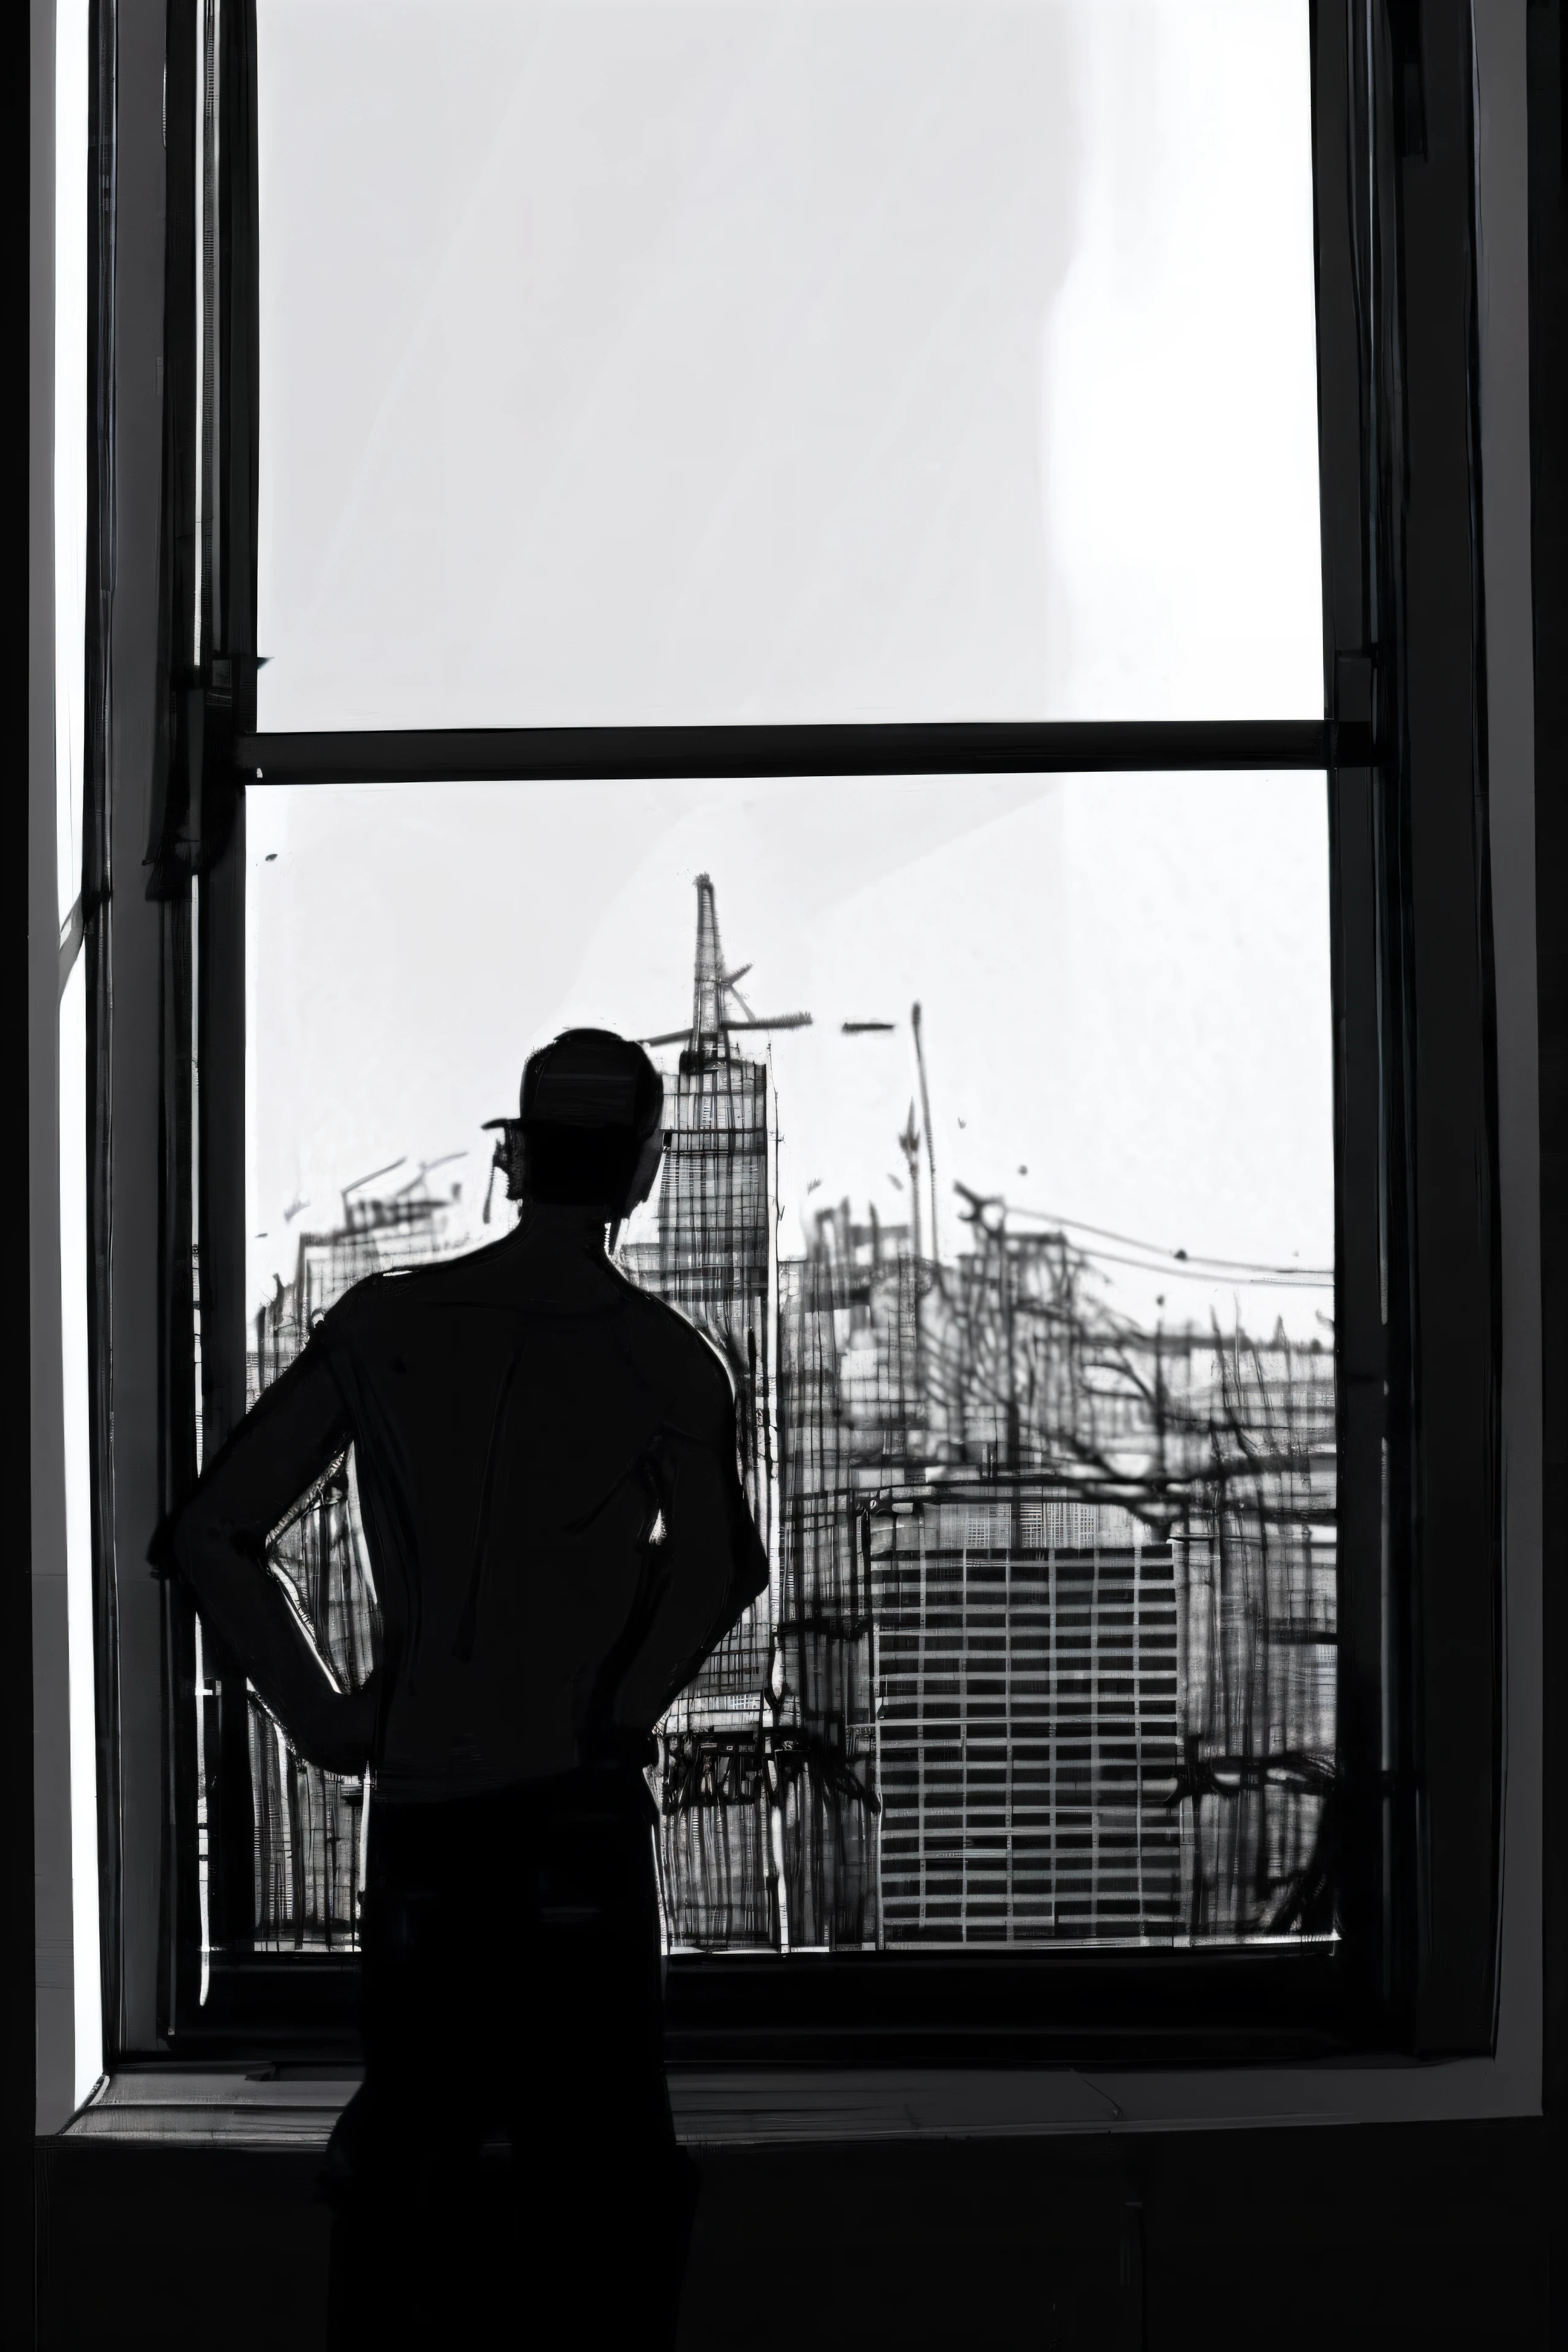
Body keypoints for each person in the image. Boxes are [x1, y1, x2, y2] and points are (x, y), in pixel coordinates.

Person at [165, 1028, 769, 2348]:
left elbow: (212, 1536)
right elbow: (723, 1570)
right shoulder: (665, 1361)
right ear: (642, 1171)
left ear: (516, 1155)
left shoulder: (389, 1325)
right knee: (604, 2182)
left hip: (426, 1805)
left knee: (413, 2162)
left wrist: (328, 1722)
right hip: (577, 1814)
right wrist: (616, 1710)